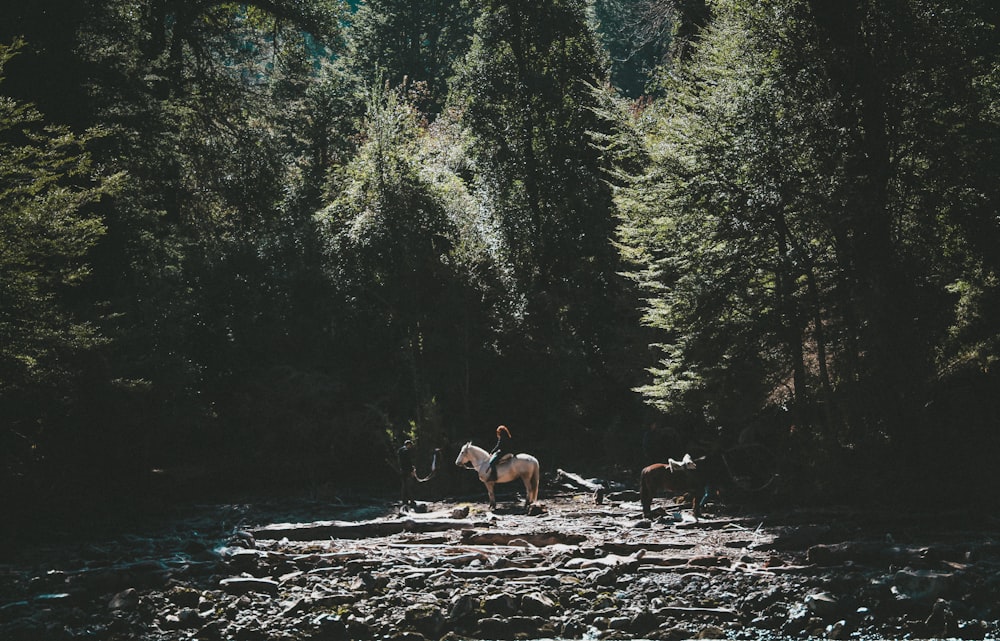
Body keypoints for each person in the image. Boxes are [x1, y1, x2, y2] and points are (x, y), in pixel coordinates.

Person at [397, 439, 416, 505]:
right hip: (407, 470)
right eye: (410, 445)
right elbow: (408, 462)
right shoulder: (406, 451)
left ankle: (404, 500)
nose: (411, 447)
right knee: (409, 486)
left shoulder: (400, 450)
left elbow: (400, 462)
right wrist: (411, 470)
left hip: (402, 470)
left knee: (404, 486)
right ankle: (411, 500)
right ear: (408, 445)